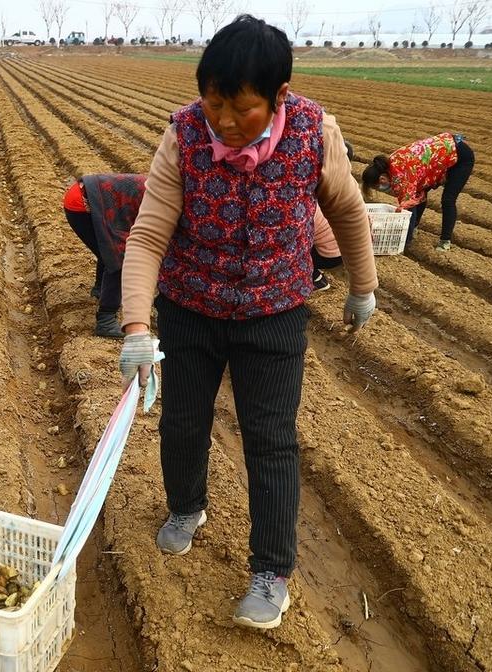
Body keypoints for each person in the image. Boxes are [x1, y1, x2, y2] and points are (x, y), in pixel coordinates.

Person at [117, 15, 378, 631]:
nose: (224, 121)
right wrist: (135, 326)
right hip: (192, 307)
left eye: (241, 107)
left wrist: (363, 287)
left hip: (275, 313)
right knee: (183, 420)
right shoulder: (183, 135)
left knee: (271, 439)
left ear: (279, 96)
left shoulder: (315, 132)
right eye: (213, 102)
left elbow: (345, 208)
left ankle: (271, 572)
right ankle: (186, 508)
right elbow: (150, 233)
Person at [62, 174, 148, 338]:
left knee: (108, 246)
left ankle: (100, 289)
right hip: (83, 203)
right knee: (118, 257)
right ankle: (106, 320)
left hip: (81, 195)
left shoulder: (163, 190)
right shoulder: (164, 200)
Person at [360, 132, 475, 252]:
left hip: (460, 156)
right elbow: (416, 196)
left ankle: (445, 241)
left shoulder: (400, 175)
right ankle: (414, 228)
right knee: (420, 191)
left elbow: (408, 207)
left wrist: (403, 243)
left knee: (448, 199)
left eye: (377, 186)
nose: (380, 189)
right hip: (444, 153)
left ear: (381, 179)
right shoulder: (391, 164)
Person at [310, 140, 355, 291]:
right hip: (350, 249)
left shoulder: (310, 198)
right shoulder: (342, 187)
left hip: (333, 254)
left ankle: (313, 277)